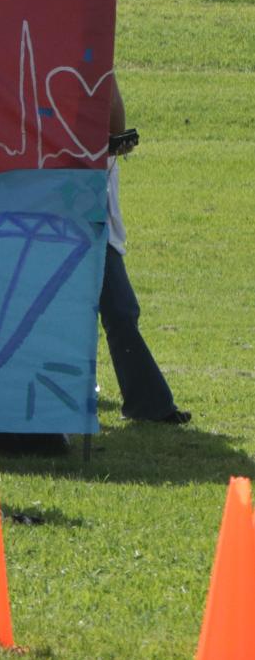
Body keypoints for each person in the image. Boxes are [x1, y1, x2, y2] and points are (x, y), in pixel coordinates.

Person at [100, 76, 190, 425]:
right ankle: (149, 402)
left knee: (120, 309)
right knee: (120, 310)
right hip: (68, 204)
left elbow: (111, 106)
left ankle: (149, 402)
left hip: (87, 206)